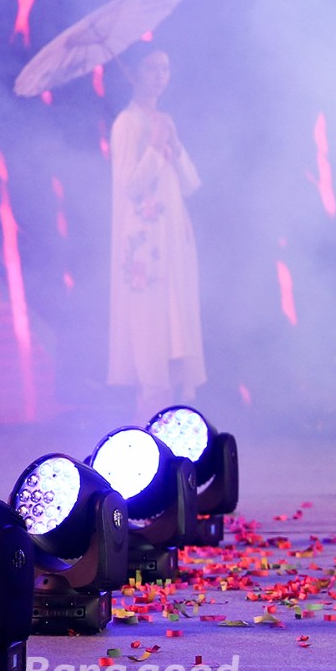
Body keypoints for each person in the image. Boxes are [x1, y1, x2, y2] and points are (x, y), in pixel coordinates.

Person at [107, 46, 207, 420]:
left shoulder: (164, 120)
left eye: (165, 68)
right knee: (151, 326)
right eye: (151, 68)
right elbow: (129, 187)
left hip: (173, 238)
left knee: (177, 325)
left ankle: (178, 419)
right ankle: (150, 416)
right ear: (133, 73)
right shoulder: (127, 123)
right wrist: (153, 147)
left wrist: (174, 146)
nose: (160, 75)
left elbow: (192, 183)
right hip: (145, 243)